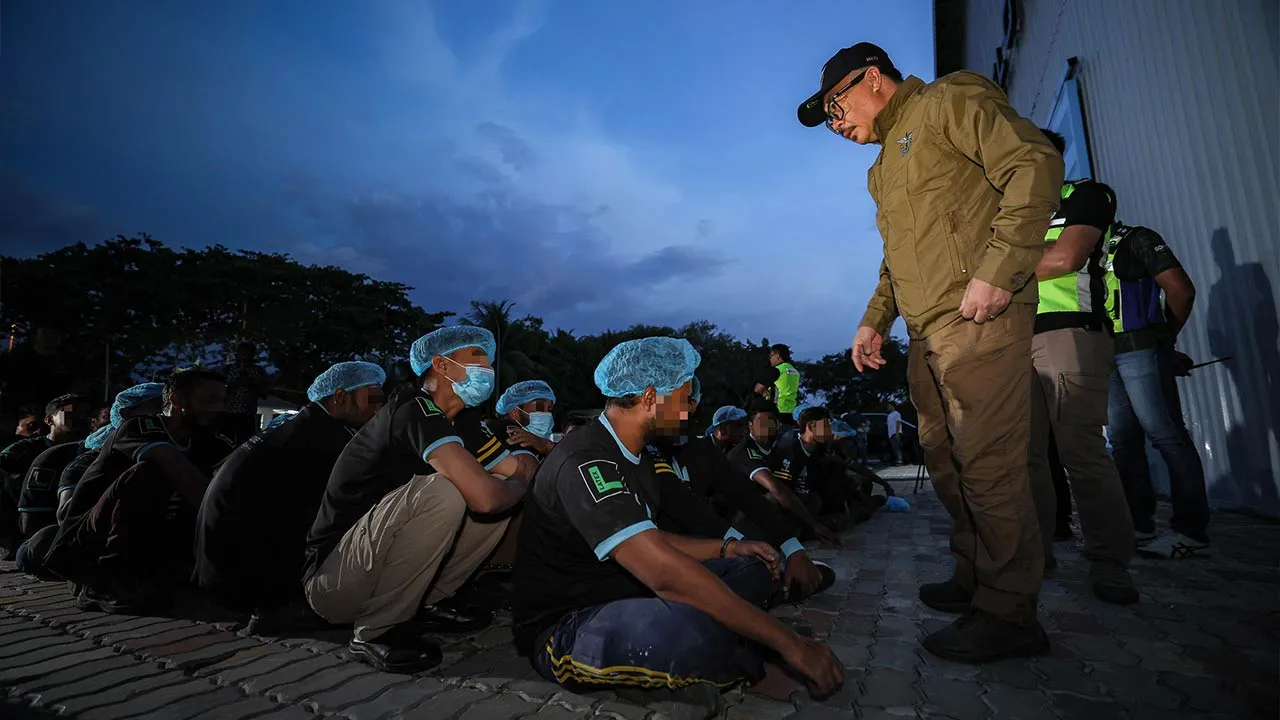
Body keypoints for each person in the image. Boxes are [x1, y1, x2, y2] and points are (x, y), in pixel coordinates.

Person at [799, 42, 1060, 661]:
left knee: (989, 463)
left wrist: (999, 270)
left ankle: (1009, 612)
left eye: (835, 108)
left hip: (978, 315)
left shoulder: (948, 100)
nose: (835, 125)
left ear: (872, 79)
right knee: (945, 461)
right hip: (925, 332)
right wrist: (874, 320)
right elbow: (896, 259)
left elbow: (1034, 163)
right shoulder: (881, 168)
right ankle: (974, 571)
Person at [512, 337, 843, 700]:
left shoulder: (638, 455)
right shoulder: (586, 459)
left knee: (751, 567)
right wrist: (789, 643)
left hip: (626, 590)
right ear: (651, 398)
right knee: (689, 629)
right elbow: (662, 572)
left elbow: (649, 539)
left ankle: (731, 641)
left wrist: (727, 548)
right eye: (684, 400)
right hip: (568, 620)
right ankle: (739, 649)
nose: (689, 412)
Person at [303, 327, 534, 674]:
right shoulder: (413, 408)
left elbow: (517, 471)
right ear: (441, 365)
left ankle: (427, 603)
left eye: (489, 361)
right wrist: (521, 479)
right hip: (334, 582)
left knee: (494, 486)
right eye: (478, 358)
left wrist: (522, 471)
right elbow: (488, 497)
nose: (488, 369)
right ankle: (376, 631)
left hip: (378, 570)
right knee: (449, 490)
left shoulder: (464, 421)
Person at [1024, 129, 1138, 605]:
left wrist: (994, 270)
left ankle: (1110, 561)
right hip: (1013, 339)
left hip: (1070, 332)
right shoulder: (1010, 211)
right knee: (1026, 456)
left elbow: (1066, 257)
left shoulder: (1086, 195)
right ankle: (1036, 555)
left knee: (1080, 450)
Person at [193, 361, 387, 628]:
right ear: (341, 397)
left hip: (217, 568)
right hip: (242, 577)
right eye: (373, 398)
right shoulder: (323, 437)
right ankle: (282, 606)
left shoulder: (300, 424)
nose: (379, 407)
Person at [45, 369, 230, 613]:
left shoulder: (209, 441)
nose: (220, 408)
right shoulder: (139, 427)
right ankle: (102, 582)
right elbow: (182, 474)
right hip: (91, 544)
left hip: (151, 539)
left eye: (222, 401)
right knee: (149, 472)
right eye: (211, 400)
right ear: (177, 400)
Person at [649, 384, 834, 603]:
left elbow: (747, 495)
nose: (688, 411)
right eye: (678, 402)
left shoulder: (699, 449)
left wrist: (793, 548)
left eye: (689, 403)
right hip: (661, 553)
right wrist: (739, 544)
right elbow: (686, 508)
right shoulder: (643, 451)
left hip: (706, 544)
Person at [1105, 222, 1209, 558]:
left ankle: (1190, 534)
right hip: (1104, 353)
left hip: (1140, 350)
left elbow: (1181, 290)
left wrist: (1164, 339)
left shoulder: (1137, 239)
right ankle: (1139, 526)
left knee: (1166, 435)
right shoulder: (1080, 246)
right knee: (1123, 441)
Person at [728, 398, 841, 547]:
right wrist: (814, 524)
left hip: (766, 510)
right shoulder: (744, 452)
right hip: (740, 515)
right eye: (762, 423)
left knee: (810, 499)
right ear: (751, 426)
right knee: (774, 498)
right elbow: (776, 488)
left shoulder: (775, 449)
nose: (769, 426)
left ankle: (796, 530)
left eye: (772, 421)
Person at [0, 394, 93, 555]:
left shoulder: (91, 451)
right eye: (71, 413)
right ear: (49, 420)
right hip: (25, 525)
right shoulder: (25, 450)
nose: (80, 418)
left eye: (86, 414)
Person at [491, 380, 558, 459]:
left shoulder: (535, 442)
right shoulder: (504, 433)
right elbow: (526, 465)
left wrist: (548, 447)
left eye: (550, 409)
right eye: (539, 407)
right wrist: (548, 447)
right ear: (515, 412)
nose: (547, 414)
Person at [224, 341, 267, 439]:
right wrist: (236, 383)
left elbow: (264, 393)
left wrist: (251, 384)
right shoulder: (228, 369)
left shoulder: (258, 371)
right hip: (229, 412)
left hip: (248, 414)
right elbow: (222, 390)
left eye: (247, 354)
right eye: (242, 353)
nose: (244, 357)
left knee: (245, 441)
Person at [754, 344, 801, 422]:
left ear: (778, 356)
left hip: (776, 411)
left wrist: (764, 393)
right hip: (791, 412)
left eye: (771, 356)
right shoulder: (795, 371)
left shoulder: (776, 370)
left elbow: (757, 389)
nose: (770, 359)